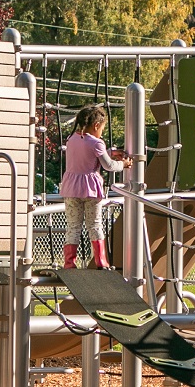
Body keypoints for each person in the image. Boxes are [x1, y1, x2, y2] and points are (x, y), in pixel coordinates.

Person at [59, 105, 129, 269]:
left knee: (73, 226)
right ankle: (101, 262)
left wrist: (109, 151)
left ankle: (69, 263)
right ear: (96, 125)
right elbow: (109, 165)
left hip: (71, 189)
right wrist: (123, 163)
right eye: (102, 128)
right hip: (90, 189)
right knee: (95, 224)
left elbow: (86, 154)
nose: (102, 132)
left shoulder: (71, 139)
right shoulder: (97, 142)